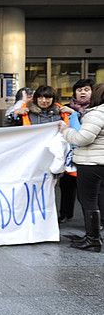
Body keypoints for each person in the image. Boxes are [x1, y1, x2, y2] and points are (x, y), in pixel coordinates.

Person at [59, 83, 104, 252]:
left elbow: (83, 138)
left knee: (88, 201)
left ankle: (92, 239)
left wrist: (66, 131)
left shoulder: (97, 113)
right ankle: (93, 236)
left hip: (90, 163)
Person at [59, 79, 94, 223]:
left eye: (86, 89)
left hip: (89, 155)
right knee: (66, 185)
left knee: (89, 191)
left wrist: (74, 113)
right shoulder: (65, 108)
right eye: (79, 90)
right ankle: (65, 214)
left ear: (92, 92)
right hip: (69, 154)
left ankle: (92, 221)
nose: (83, 92)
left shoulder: (96, 109)